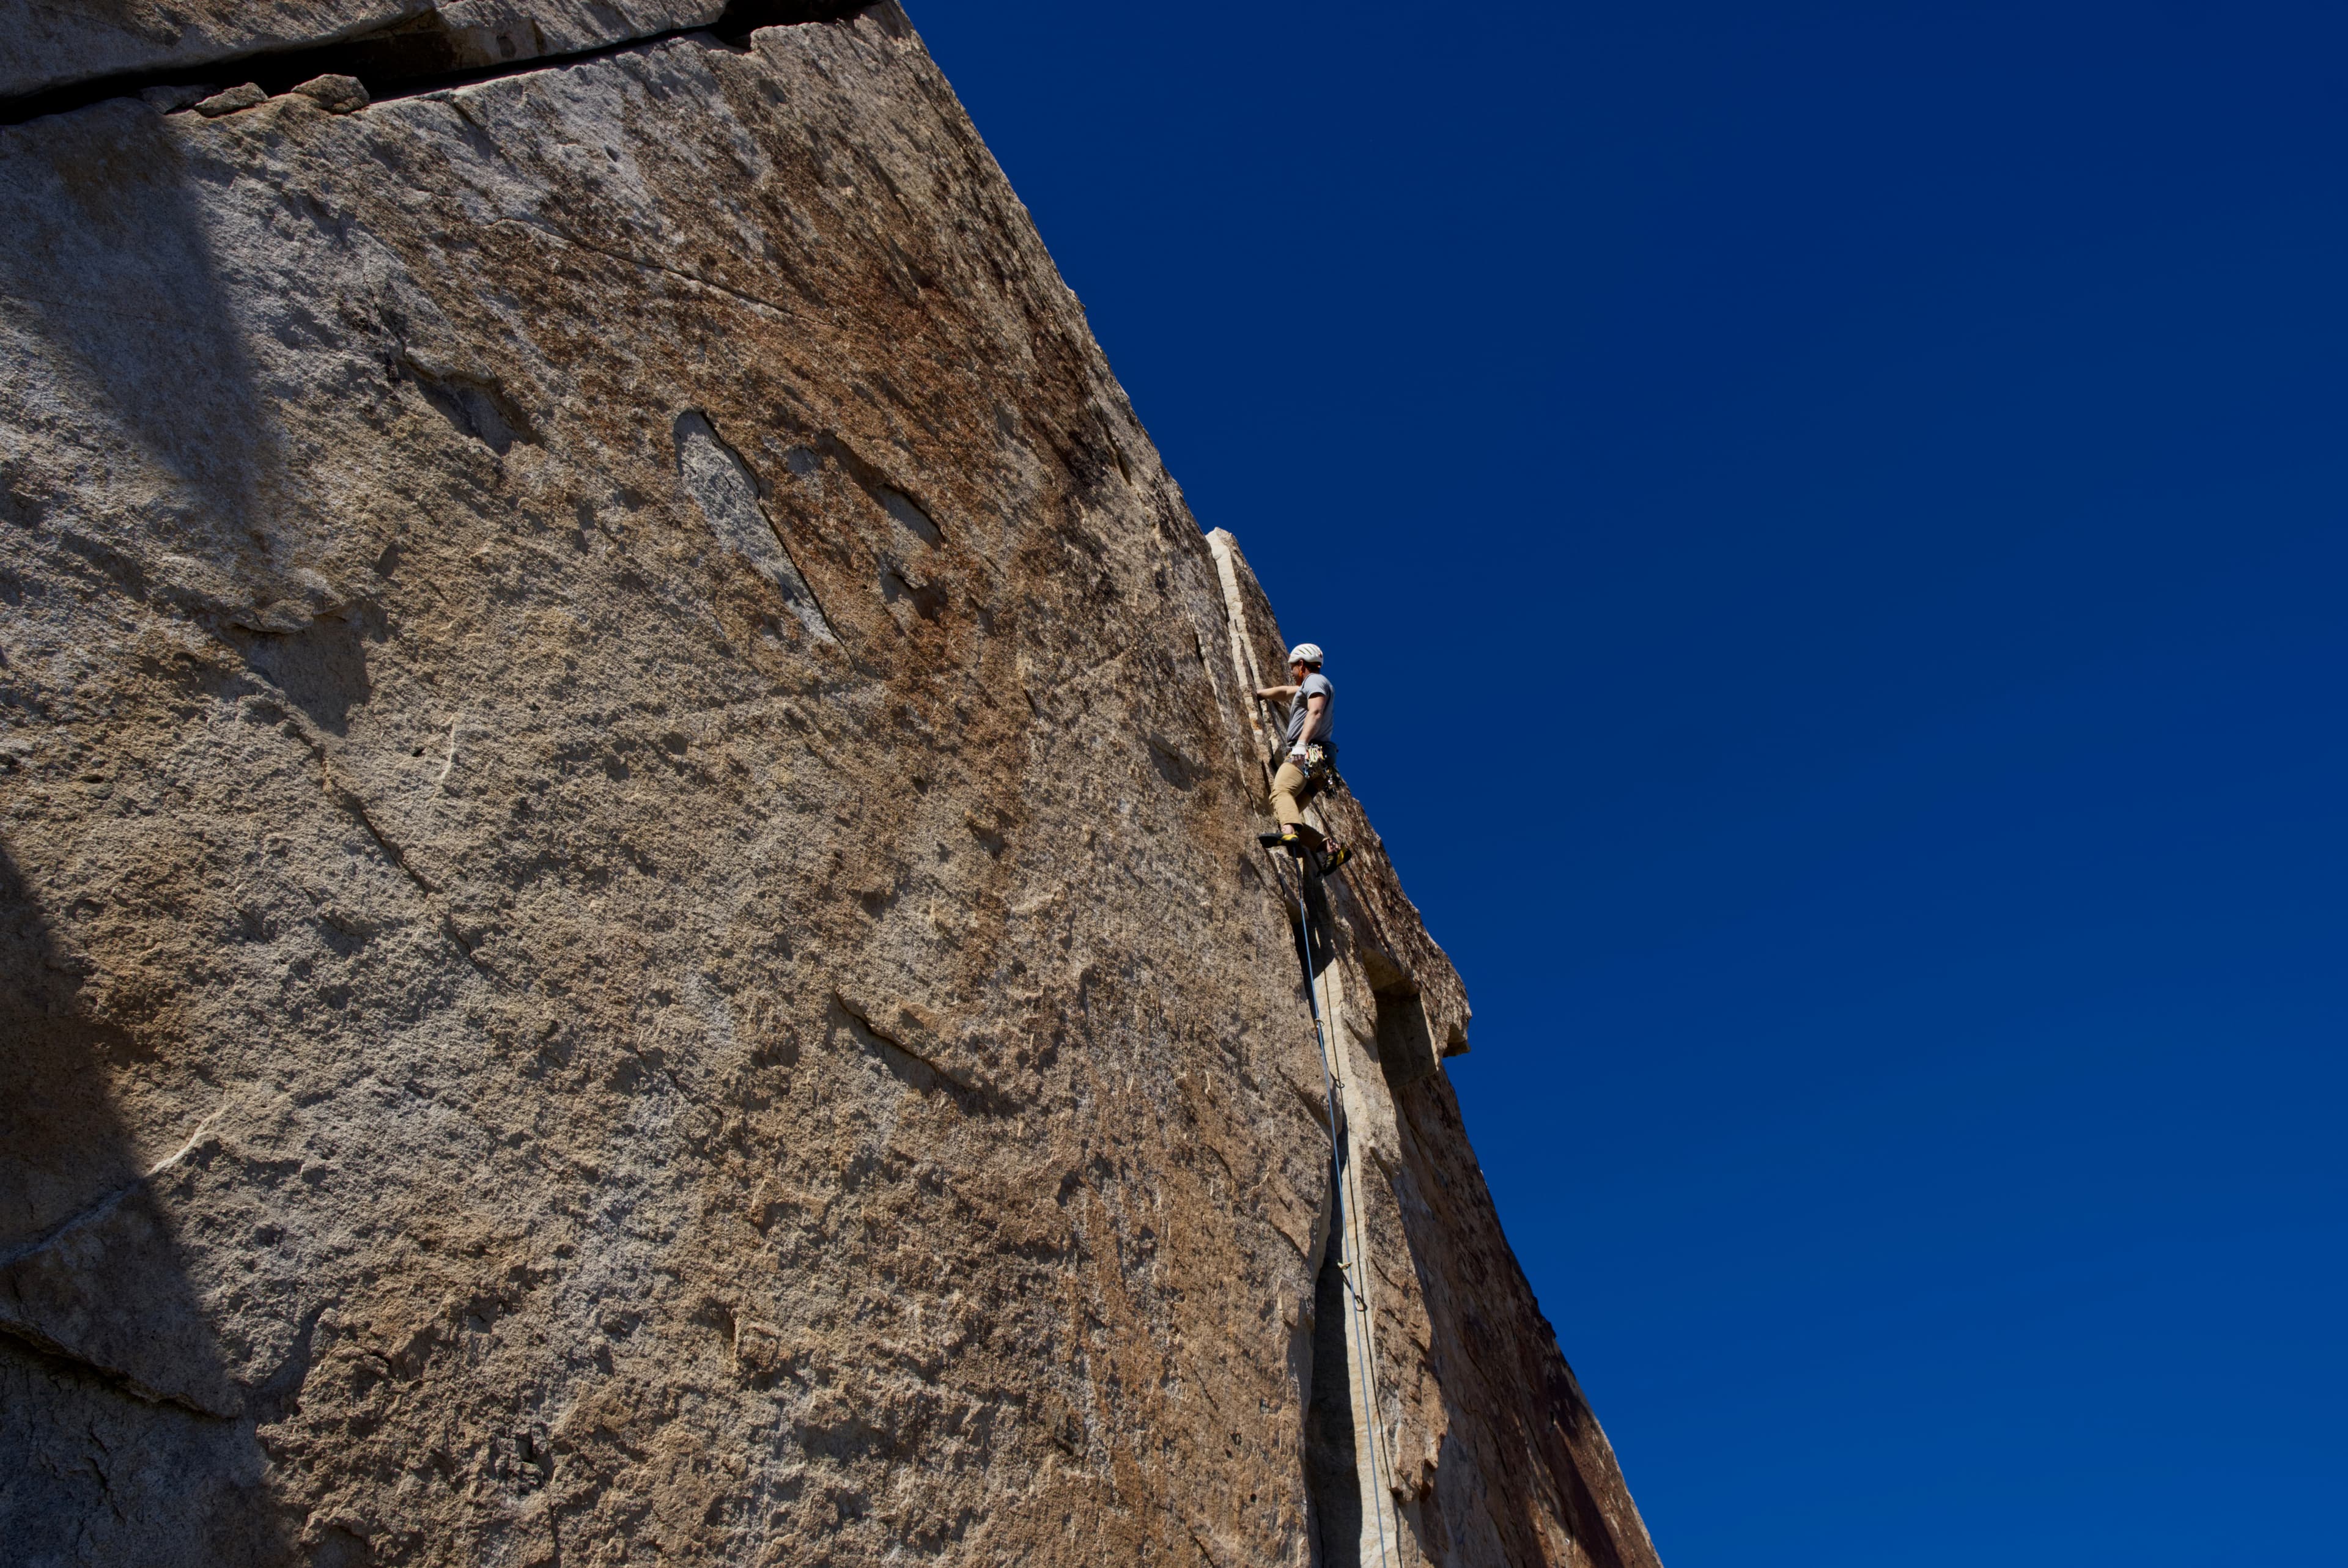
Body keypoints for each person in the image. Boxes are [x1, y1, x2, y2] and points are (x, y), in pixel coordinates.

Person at [1256, 642, 1351, 872]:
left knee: (1281, 791)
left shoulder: (1315, 681)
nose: (1293, 674)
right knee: (1286, 810)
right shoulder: (1308, 686)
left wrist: (1301, 744)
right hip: (1322, 766)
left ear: (1301, 665)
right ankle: (1330, 848)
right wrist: (1258, 694)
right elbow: (1287, 692)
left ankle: (1288, 835)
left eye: (1293, 668)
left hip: (1310, 753)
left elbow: (1315, 711)